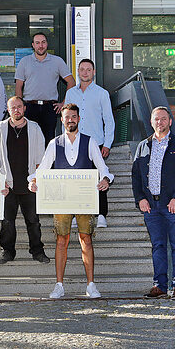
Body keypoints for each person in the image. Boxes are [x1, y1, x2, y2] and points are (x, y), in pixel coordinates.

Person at [30, 103, 113, 299]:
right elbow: (42, 169)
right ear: (62, 119)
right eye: (67, 117)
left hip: (84, 199)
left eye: (74, 116)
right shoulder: (54, 143)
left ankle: (91, 285)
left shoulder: (89, 142)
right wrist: (33, 181)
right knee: (61, 241)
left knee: (86, 239)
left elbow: (103, 168)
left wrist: (105, 179)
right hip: (61, 200)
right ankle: (59, 285)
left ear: (79, 119)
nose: (70, 120)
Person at [131, 106, 175, 300]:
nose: (159, 122)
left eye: (163, 119)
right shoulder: (143, 146)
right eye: (156, 119)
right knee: (158, 245)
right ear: (151, 122)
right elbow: (135, 175)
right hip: (151, 206)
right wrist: (140, 198)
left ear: (170, 121)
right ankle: (159, 285)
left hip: (173, 205)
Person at [0, 96, 50, 264]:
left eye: (19, 107)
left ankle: (37, 250)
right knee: (7, 221)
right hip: (7, 183)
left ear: (24, 108)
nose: (16, 110)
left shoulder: (34, 128)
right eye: (12, 107)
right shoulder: (0, 128)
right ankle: (7, 251)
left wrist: (36, 179)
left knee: (33, 221)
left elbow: (40, 158)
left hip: (29, 183)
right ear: (8, 110)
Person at [63, 58, 115, 229]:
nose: (85, 72)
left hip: (96, 143)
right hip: (74, 142)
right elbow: (66, 117)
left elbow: (109, 120)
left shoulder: (102, 93)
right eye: (82, 69)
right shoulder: (71, 93)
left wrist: (107, 144)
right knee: (73, 179)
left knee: (99, 177)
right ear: (78, 72)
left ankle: (100, 214)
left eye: (88, 69)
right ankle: (72, 214)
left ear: (93, 72)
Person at [15, 32, 75, 144]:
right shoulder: (25, 62)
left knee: (49, 142)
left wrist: (64, 103)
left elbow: (71, 82)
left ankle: (49, 162)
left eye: (43, 42)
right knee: (30, 142)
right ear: (33, 45)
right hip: (29, 107)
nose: (40, 45)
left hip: (50, 108)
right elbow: (19, 86)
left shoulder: (57, 61)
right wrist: (20, 107)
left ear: (47, 44)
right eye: (37, 43)